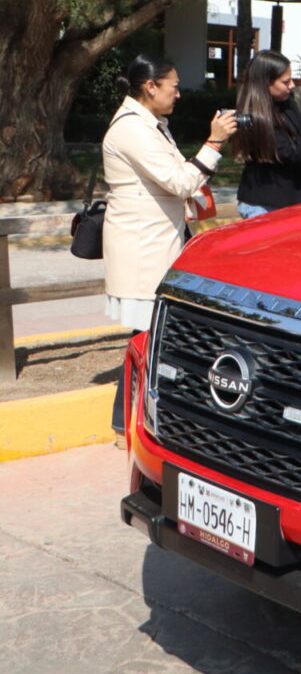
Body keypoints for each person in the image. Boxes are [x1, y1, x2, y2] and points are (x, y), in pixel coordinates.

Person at [102, 55, 237, 431]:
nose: (179, 94)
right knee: (148, 336)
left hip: (159, 242)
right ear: (151, 87)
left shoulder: (152, 124)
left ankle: (135, 418)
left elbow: (179, 175)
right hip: (144, 248)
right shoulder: (132, 129)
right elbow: (178, 182)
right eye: (173, 86)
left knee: (153, 336)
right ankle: (127, 420)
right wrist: (214, 141)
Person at [230, 50, 301, 217]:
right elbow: (294, 153)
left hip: (288, 201)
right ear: (266, 83)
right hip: (264, 206)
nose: (292, 85)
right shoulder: (254, 117)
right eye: (285, 82)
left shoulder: (285, 104)